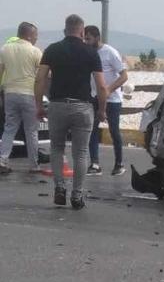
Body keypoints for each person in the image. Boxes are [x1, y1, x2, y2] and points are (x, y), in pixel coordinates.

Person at [34, 15, 108, 210]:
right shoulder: (91, 52)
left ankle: (59, 188)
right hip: (82, 107)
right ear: (82, 32)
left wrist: (39, 105)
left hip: (58, 106)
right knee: (81, 152)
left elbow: (40, 79)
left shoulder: (52, 49)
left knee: (57, 148)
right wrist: (102, 110)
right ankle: (77, 194)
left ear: (64, 30)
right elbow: (101, 86)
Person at [84, 26, 128, 176]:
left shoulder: (110, 52)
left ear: (97, 37)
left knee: (114, 130)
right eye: (84, 38)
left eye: (88, 38)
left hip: (113, 99)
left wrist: (109, 90)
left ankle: (119, 163)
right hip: (94, 97)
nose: (86, 41)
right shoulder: (88, 53)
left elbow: (124, 76)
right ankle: (95, 164)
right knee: (92, 129)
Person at [0, 22, 43, 174]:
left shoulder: (5, 49)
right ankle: (34, 165)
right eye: (36, 35)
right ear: (29, 35)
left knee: (9, 128)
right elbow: (42, 76)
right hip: (29, 94)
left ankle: (2, 160)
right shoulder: (35, 51)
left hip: (10, 93)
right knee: (31, 130)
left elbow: (1, 71)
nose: (37, 38)